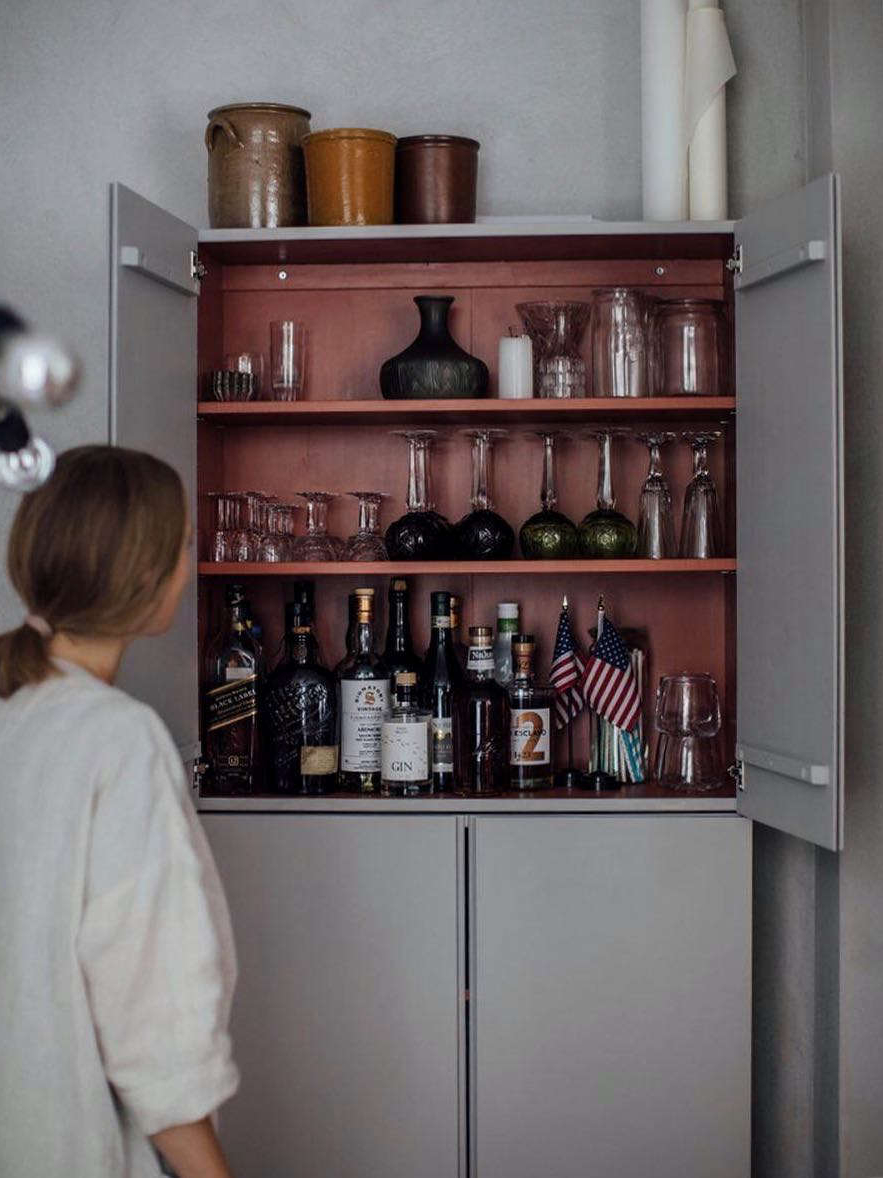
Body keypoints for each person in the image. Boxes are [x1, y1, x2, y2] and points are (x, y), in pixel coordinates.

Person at [0, 445, 239, 1178]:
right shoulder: (116, 739)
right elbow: (152, 1021)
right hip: (65, 1141)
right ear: (148, 575)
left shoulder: (18, 711)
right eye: (185, 548)